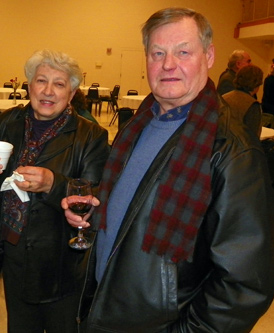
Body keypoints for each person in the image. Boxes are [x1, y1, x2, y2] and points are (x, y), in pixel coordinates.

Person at [62, 7, 274, 332]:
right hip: (107, 307)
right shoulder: (139, 123)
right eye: (157, 52)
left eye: (183, 51)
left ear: (210, 55)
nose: (168, 64)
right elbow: (134, 205)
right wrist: (94, 214)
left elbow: (245, 284)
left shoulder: (232, 152)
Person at [0, 49, 110, 332]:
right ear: (29, 86)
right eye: (40, 81)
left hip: (60, 259)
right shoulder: (8, 121)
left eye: (59, 84)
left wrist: (53, 184)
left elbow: (96, 195)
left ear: (71, 94)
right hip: (13, 250)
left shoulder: (90, 135)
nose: (48, 91)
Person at [222, 64, 264, 137]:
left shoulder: (224, 97)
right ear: (257, 84)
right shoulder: (252, 105)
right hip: (239, 146)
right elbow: (252, 137)